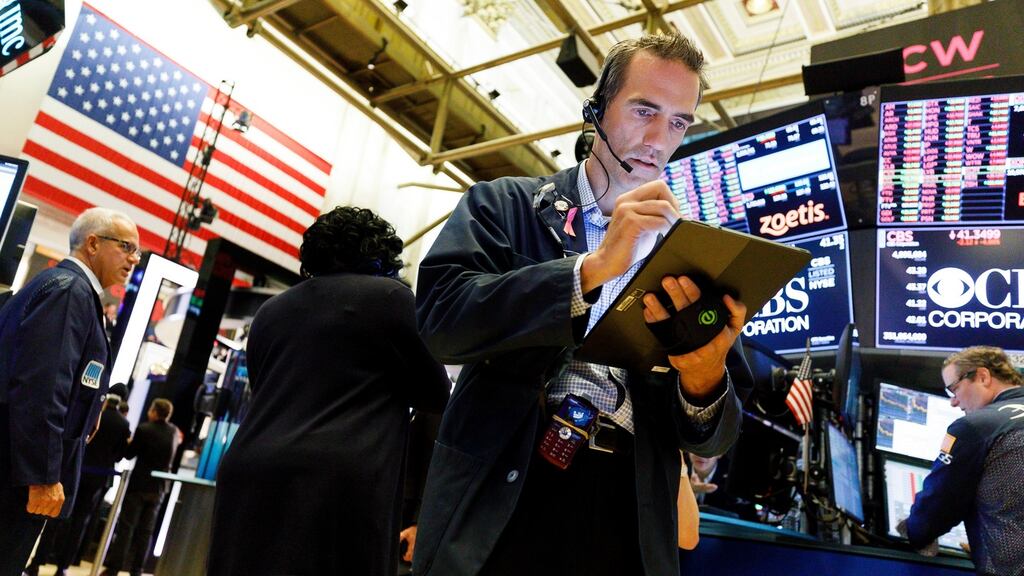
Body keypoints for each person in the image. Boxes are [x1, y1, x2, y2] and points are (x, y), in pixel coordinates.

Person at [413, 34, 751, 576]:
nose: (659, 139)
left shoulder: (689, 256)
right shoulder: (505, 204)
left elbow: (715, 434)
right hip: (508, 492)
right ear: (596, 110)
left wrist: (706, 376)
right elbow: (441, 320)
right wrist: (589, 271)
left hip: (629, 510)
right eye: (645, 110)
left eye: (680, 122)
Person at [208, 207, 451, 576]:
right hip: (337, 480)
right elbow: (436, 394)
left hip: (249, 470)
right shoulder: (392, 297)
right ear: (382, 252)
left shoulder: (270, 311)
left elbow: (264, 390)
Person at [0, 207, 140, 575]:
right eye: (127, 247)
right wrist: (43, 476)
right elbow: (42, 387)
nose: (134, 258)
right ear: (93, 243)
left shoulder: (72, 291)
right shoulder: (69, 291)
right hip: (14, 477)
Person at [897, 346, 1024, 575]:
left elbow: (940, 501)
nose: (953, 402)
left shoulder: (977, 426)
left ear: (983, 376)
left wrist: (914, 531)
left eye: (954, 389)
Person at [23, 384, 131, 576]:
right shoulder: (123, 424)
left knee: (57, 518)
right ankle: (63, 566)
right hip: (99, 478)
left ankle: (37, 562)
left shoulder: (94, 414)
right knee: (80, 522)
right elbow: (120, 455)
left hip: (78, 470)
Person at [101, 398, 181, 576]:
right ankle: (137, 570)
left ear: (154, 411)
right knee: (146, 531)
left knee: (126, 528)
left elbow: (129, 455)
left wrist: (128, 443)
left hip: (139, 485)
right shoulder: (174, 432)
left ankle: (113, 568)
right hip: (159, 488)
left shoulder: (144, 429)